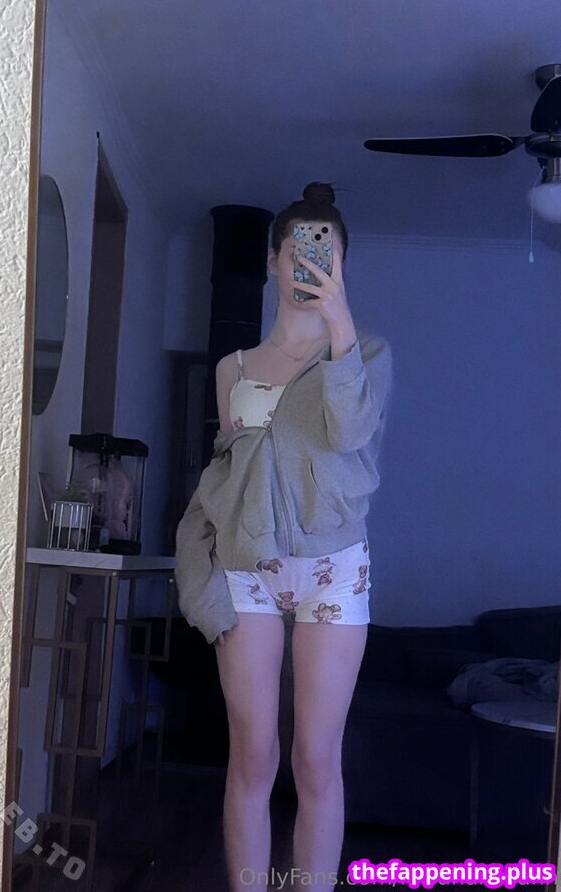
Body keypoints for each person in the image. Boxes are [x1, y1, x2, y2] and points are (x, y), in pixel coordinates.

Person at [174, 181, 392, 891]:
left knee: (315, 761)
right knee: (253, 756)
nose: (309, 265)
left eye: (325, 254)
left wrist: (339, 324)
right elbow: (231, 469)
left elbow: (349, 433)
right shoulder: (231, 369)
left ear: (342, 264)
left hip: (334, 567)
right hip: (249, 565)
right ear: (273, 261)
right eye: (297, 252)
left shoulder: (366, 354)